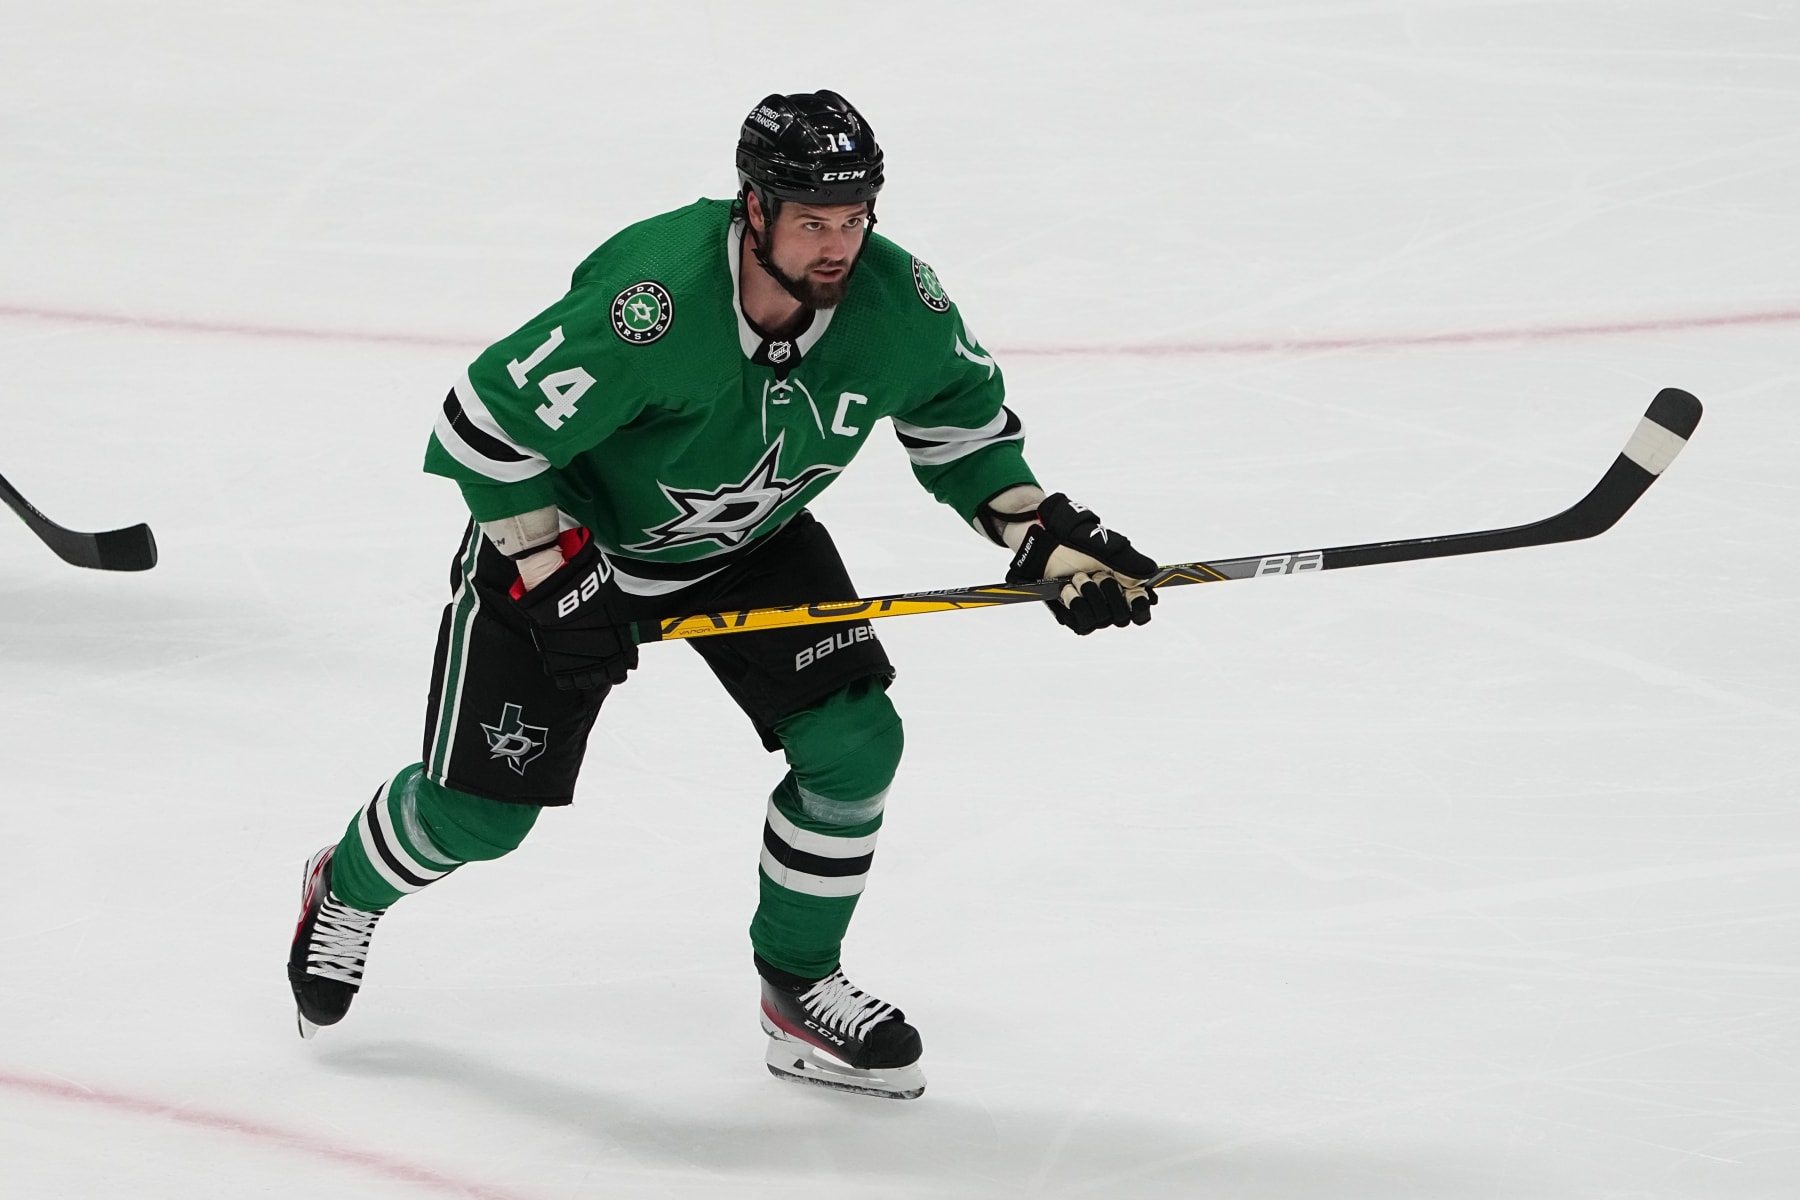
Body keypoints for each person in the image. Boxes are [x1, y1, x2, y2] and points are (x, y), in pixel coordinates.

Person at [286, 90, 1158, 1100]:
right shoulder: (651, 303)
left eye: (855, 218)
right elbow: (483, 431)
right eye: (813, 222)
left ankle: (798, 985)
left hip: (753, 545)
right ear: (755, 207)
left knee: (855, 746)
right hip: (571, 548)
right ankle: (345, 887)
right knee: (480, 819)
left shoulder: (898, 304)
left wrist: (1041, 536)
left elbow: (961, 432)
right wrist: (554, 576)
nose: (839, 246)